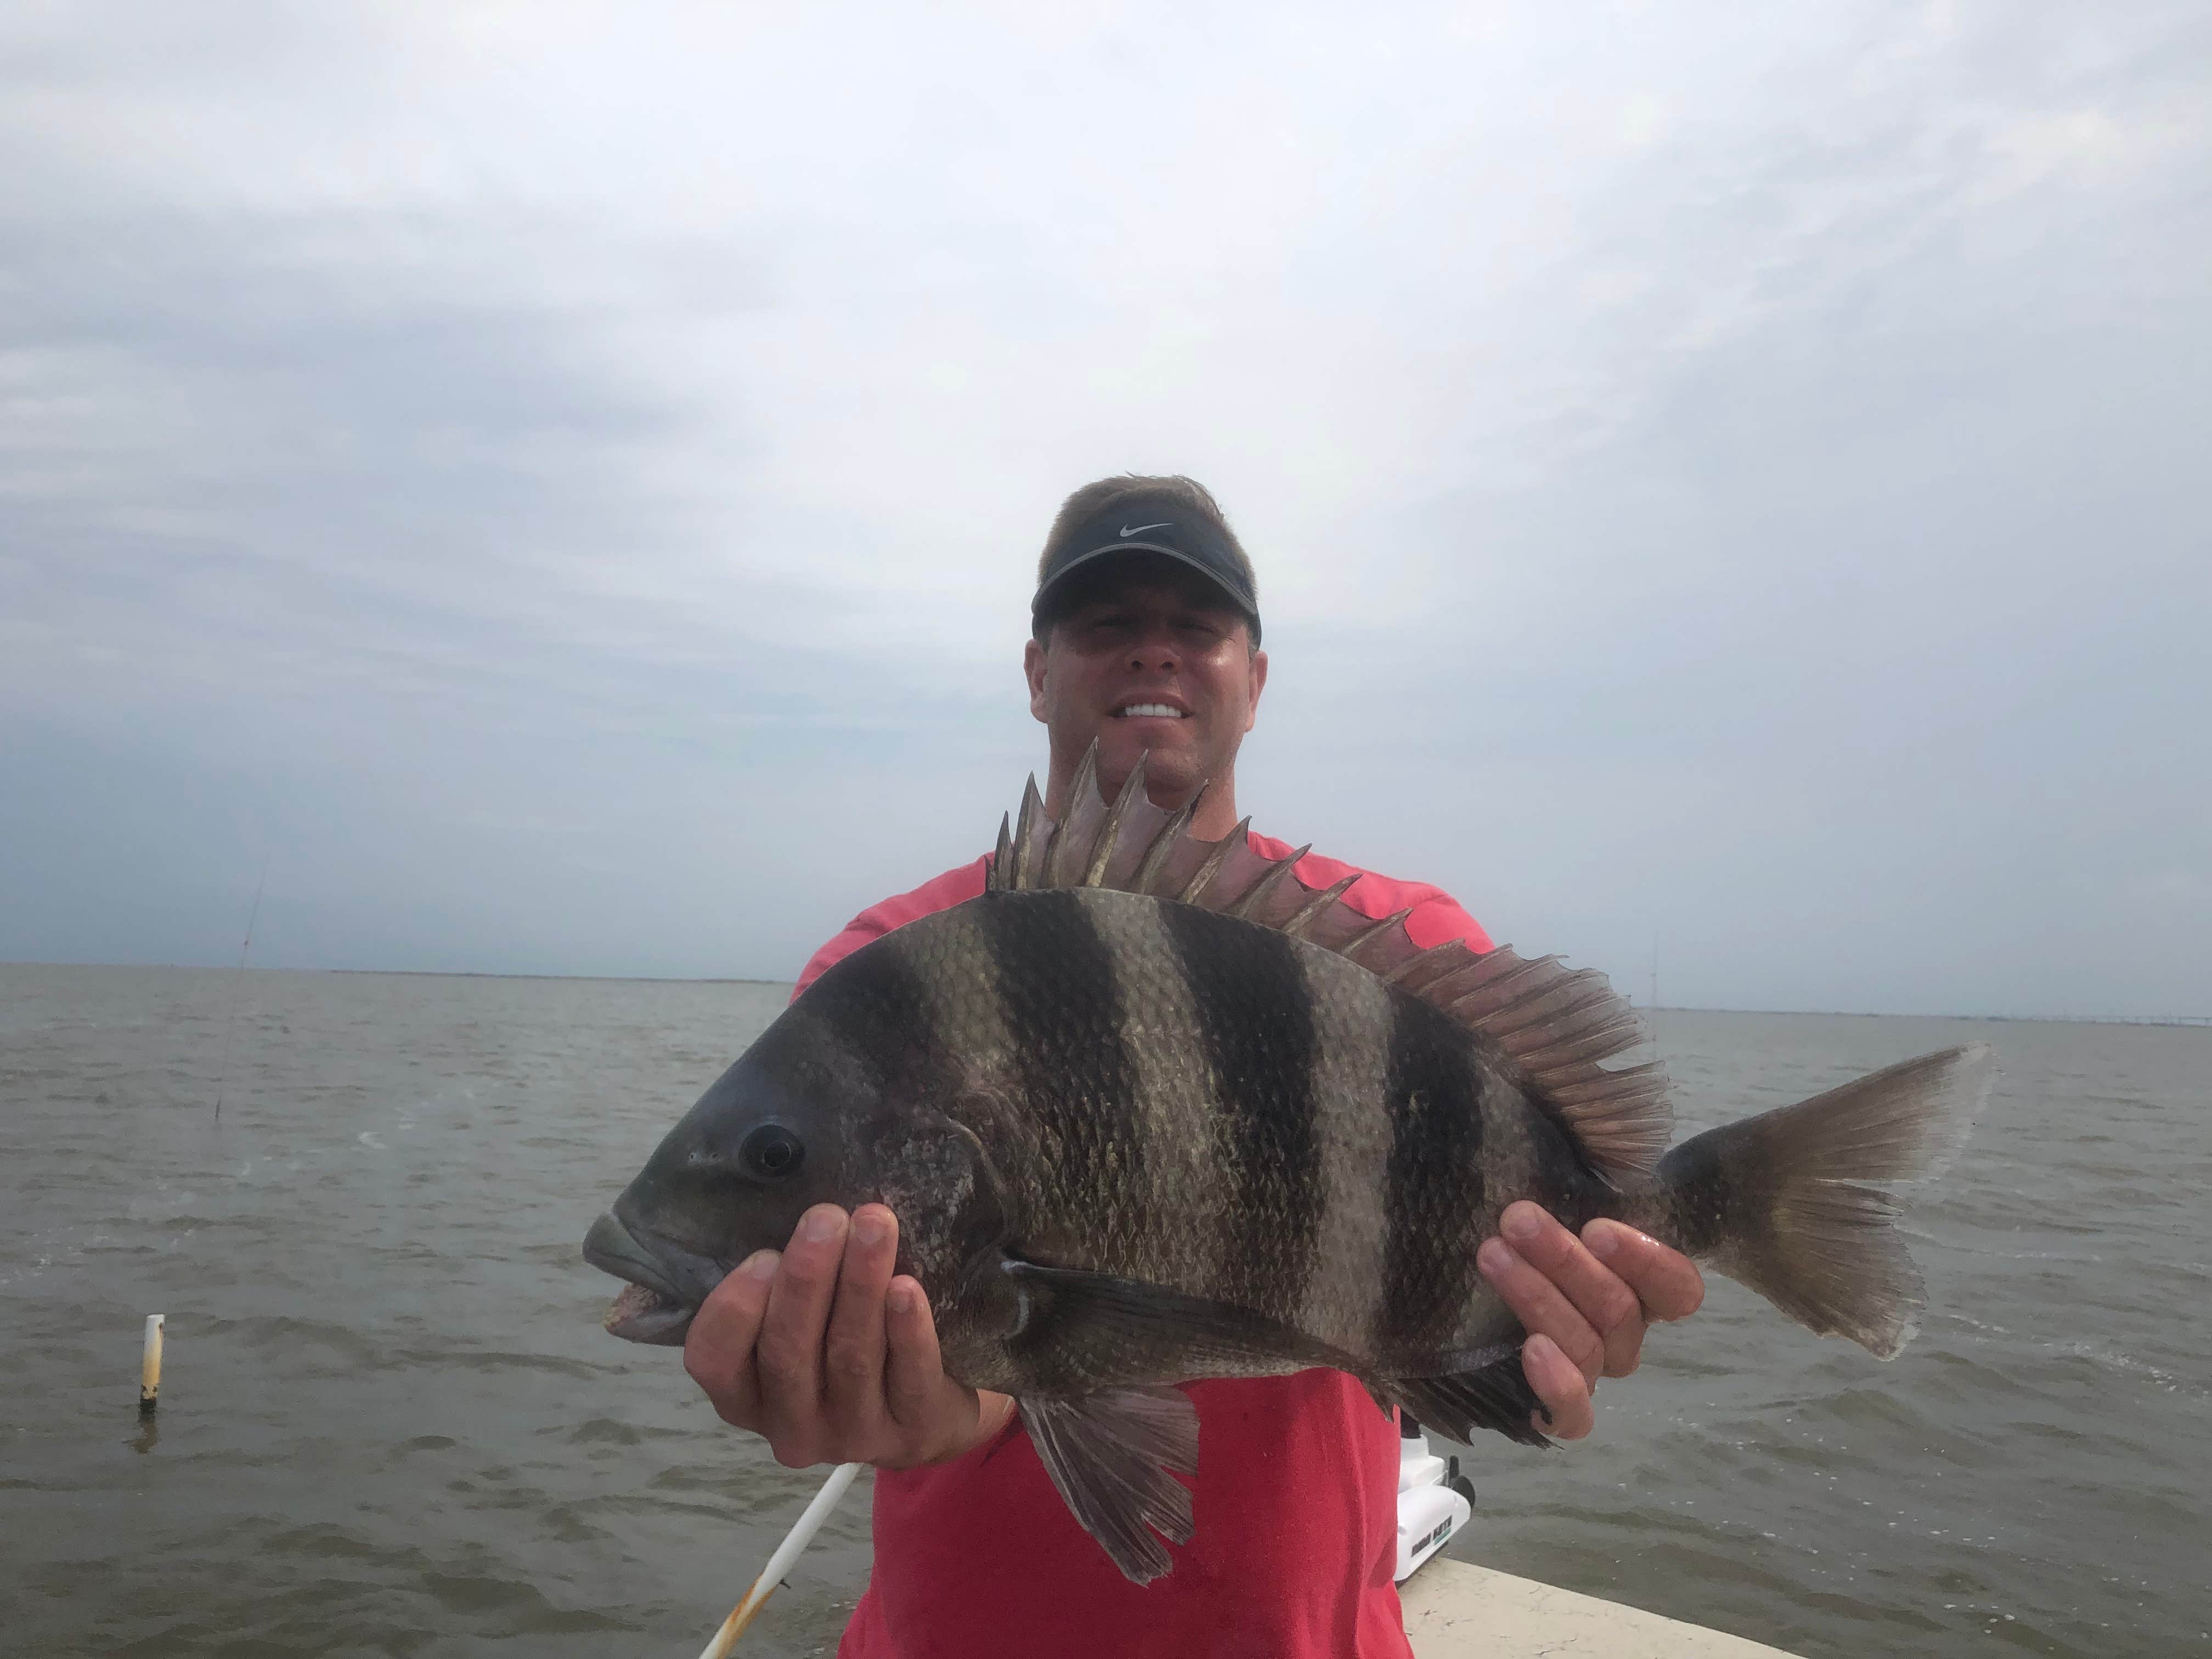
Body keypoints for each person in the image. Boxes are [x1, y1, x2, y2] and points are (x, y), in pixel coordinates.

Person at [682, 476, 1706, 1658]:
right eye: (1107, 624)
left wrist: (1557, 1345)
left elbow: (1510, 1314)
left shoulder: (1405, 955)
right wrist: (933, 1403)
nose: (1151, 654)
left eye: (1196, 626)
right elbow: (1023, 1338)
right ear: (1036, 672)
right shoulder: (893, 972)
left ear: (1255, 681)